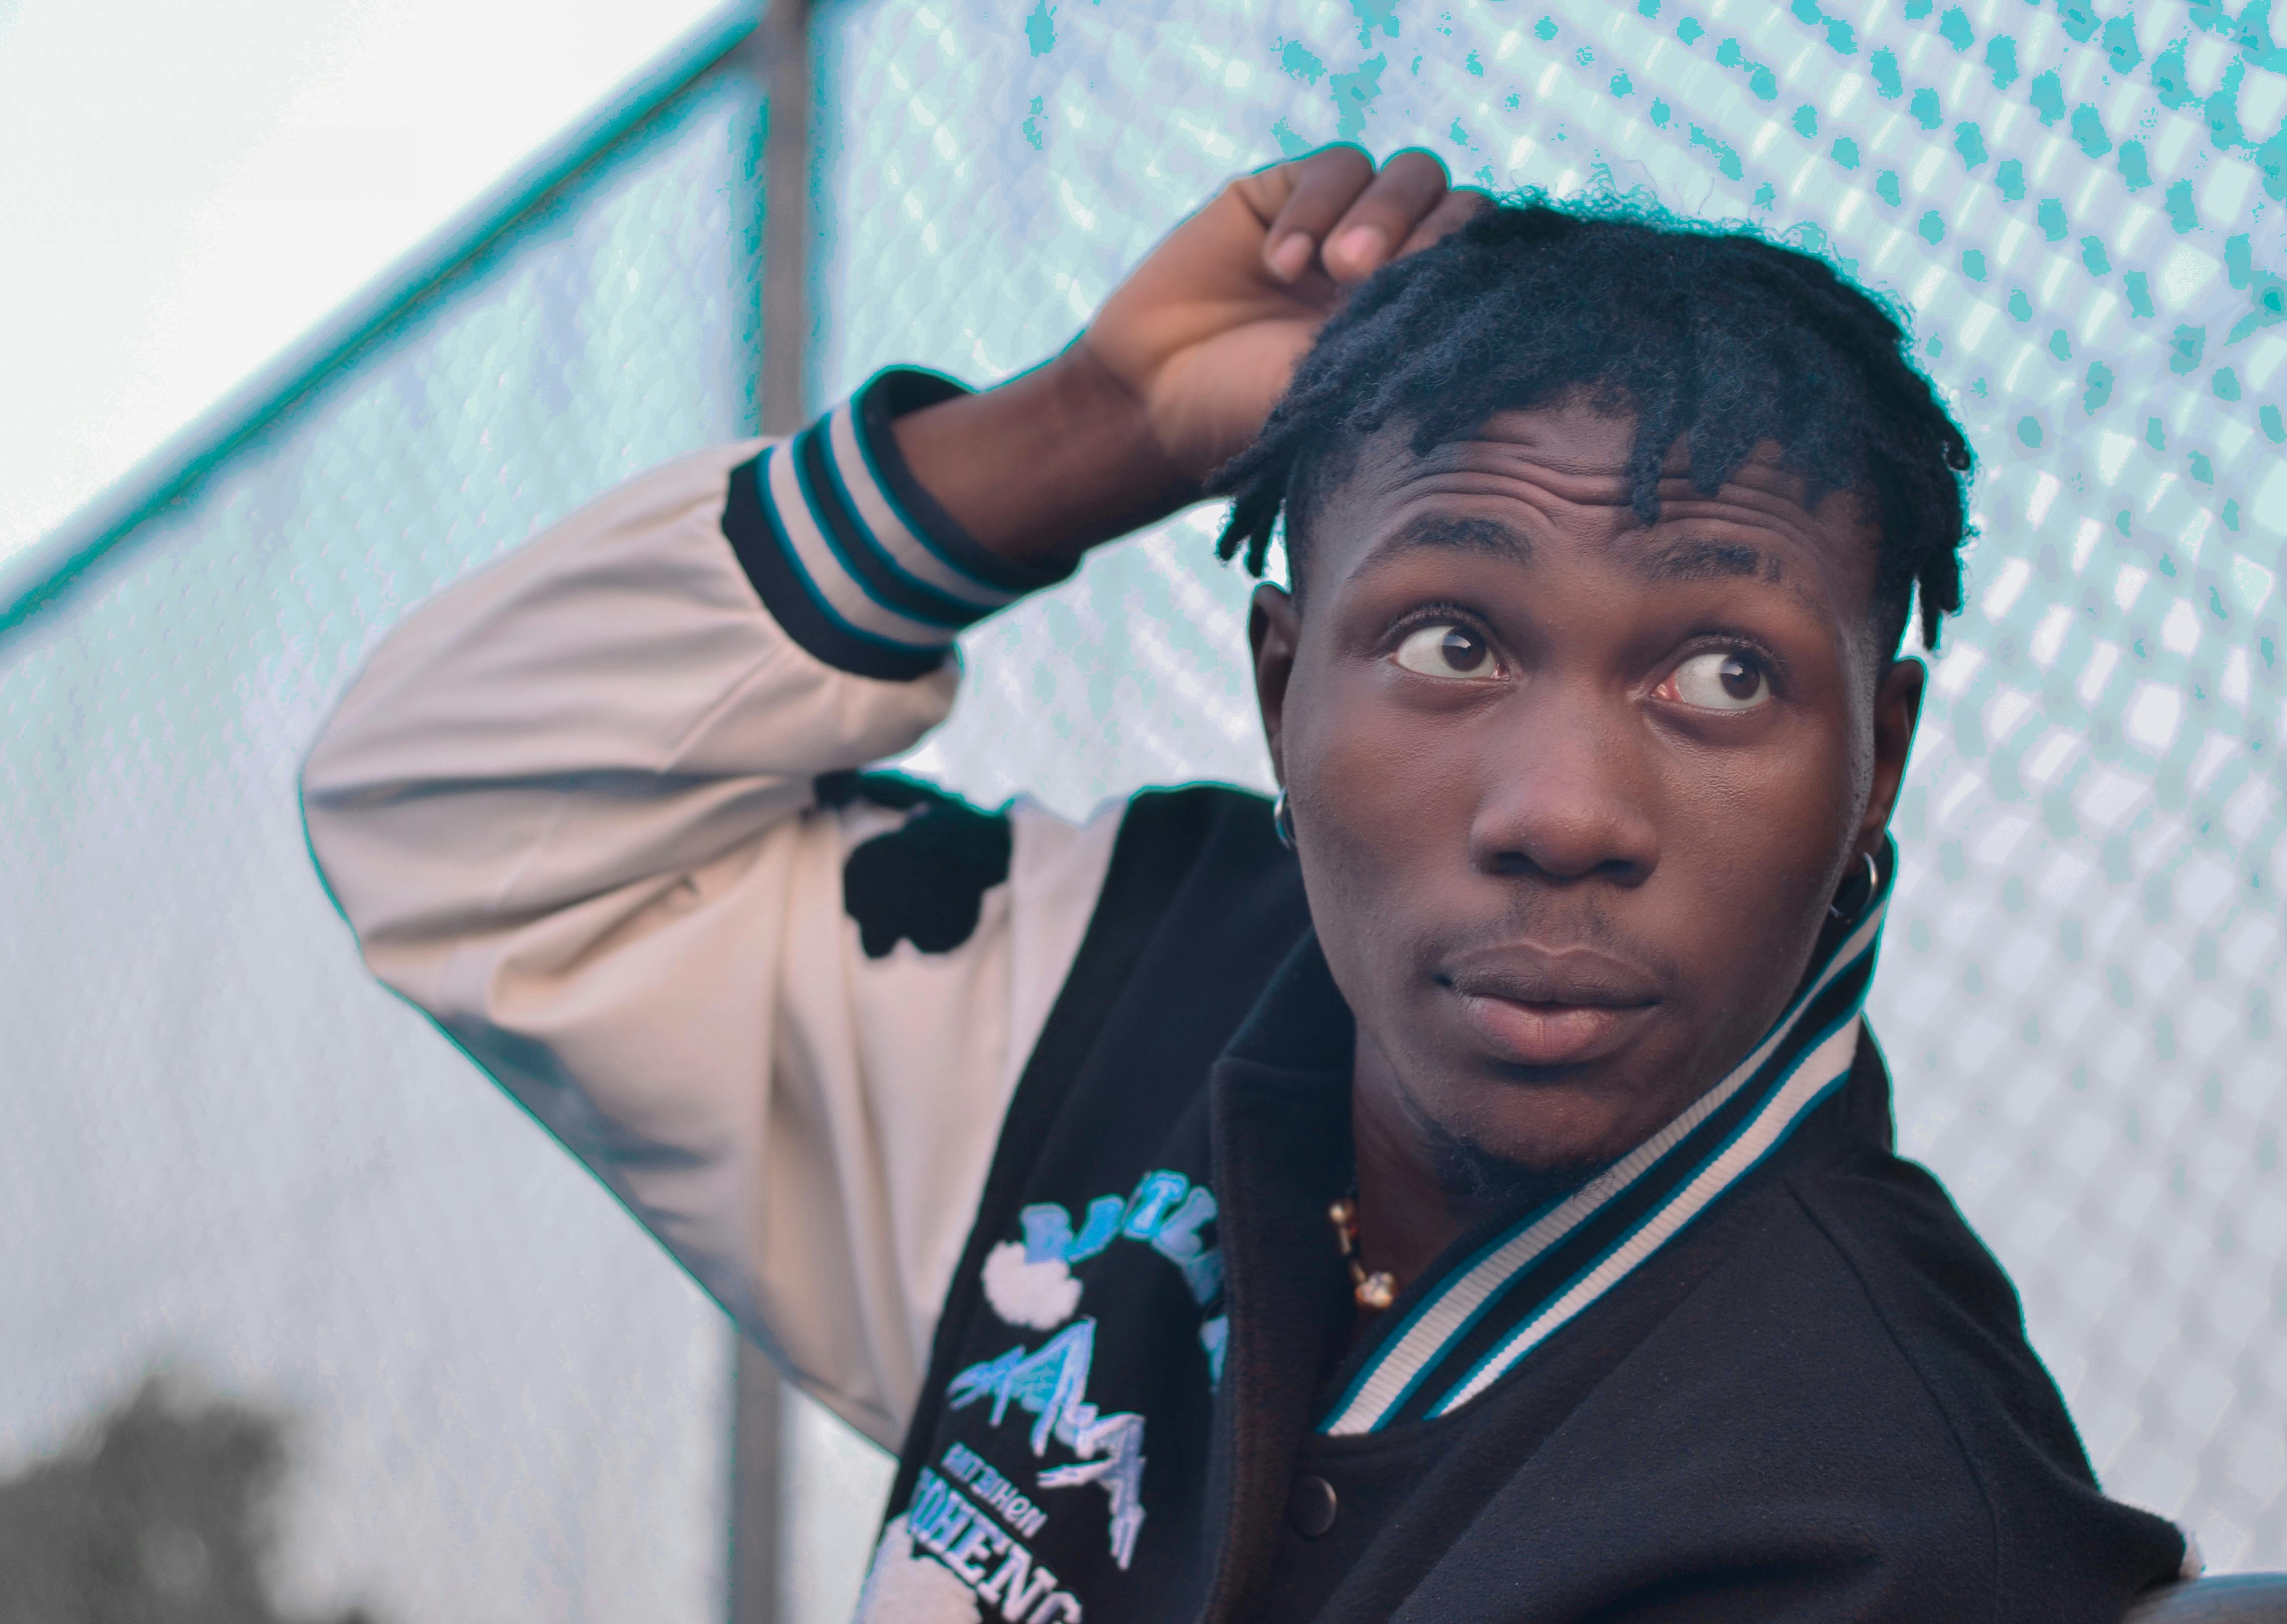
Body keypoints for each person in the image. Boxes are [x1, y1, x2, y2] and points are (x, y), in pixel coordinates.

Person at [303, 147, 2190, 1621]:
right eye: (1452, 642)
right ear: (1281, 685)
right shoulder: (1130, 992)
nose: (1561, 809)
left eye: (1724, 675)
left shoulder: (1881, 1527)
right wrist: (1088, 429)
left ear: (1884, 764)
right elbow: (451, 806)